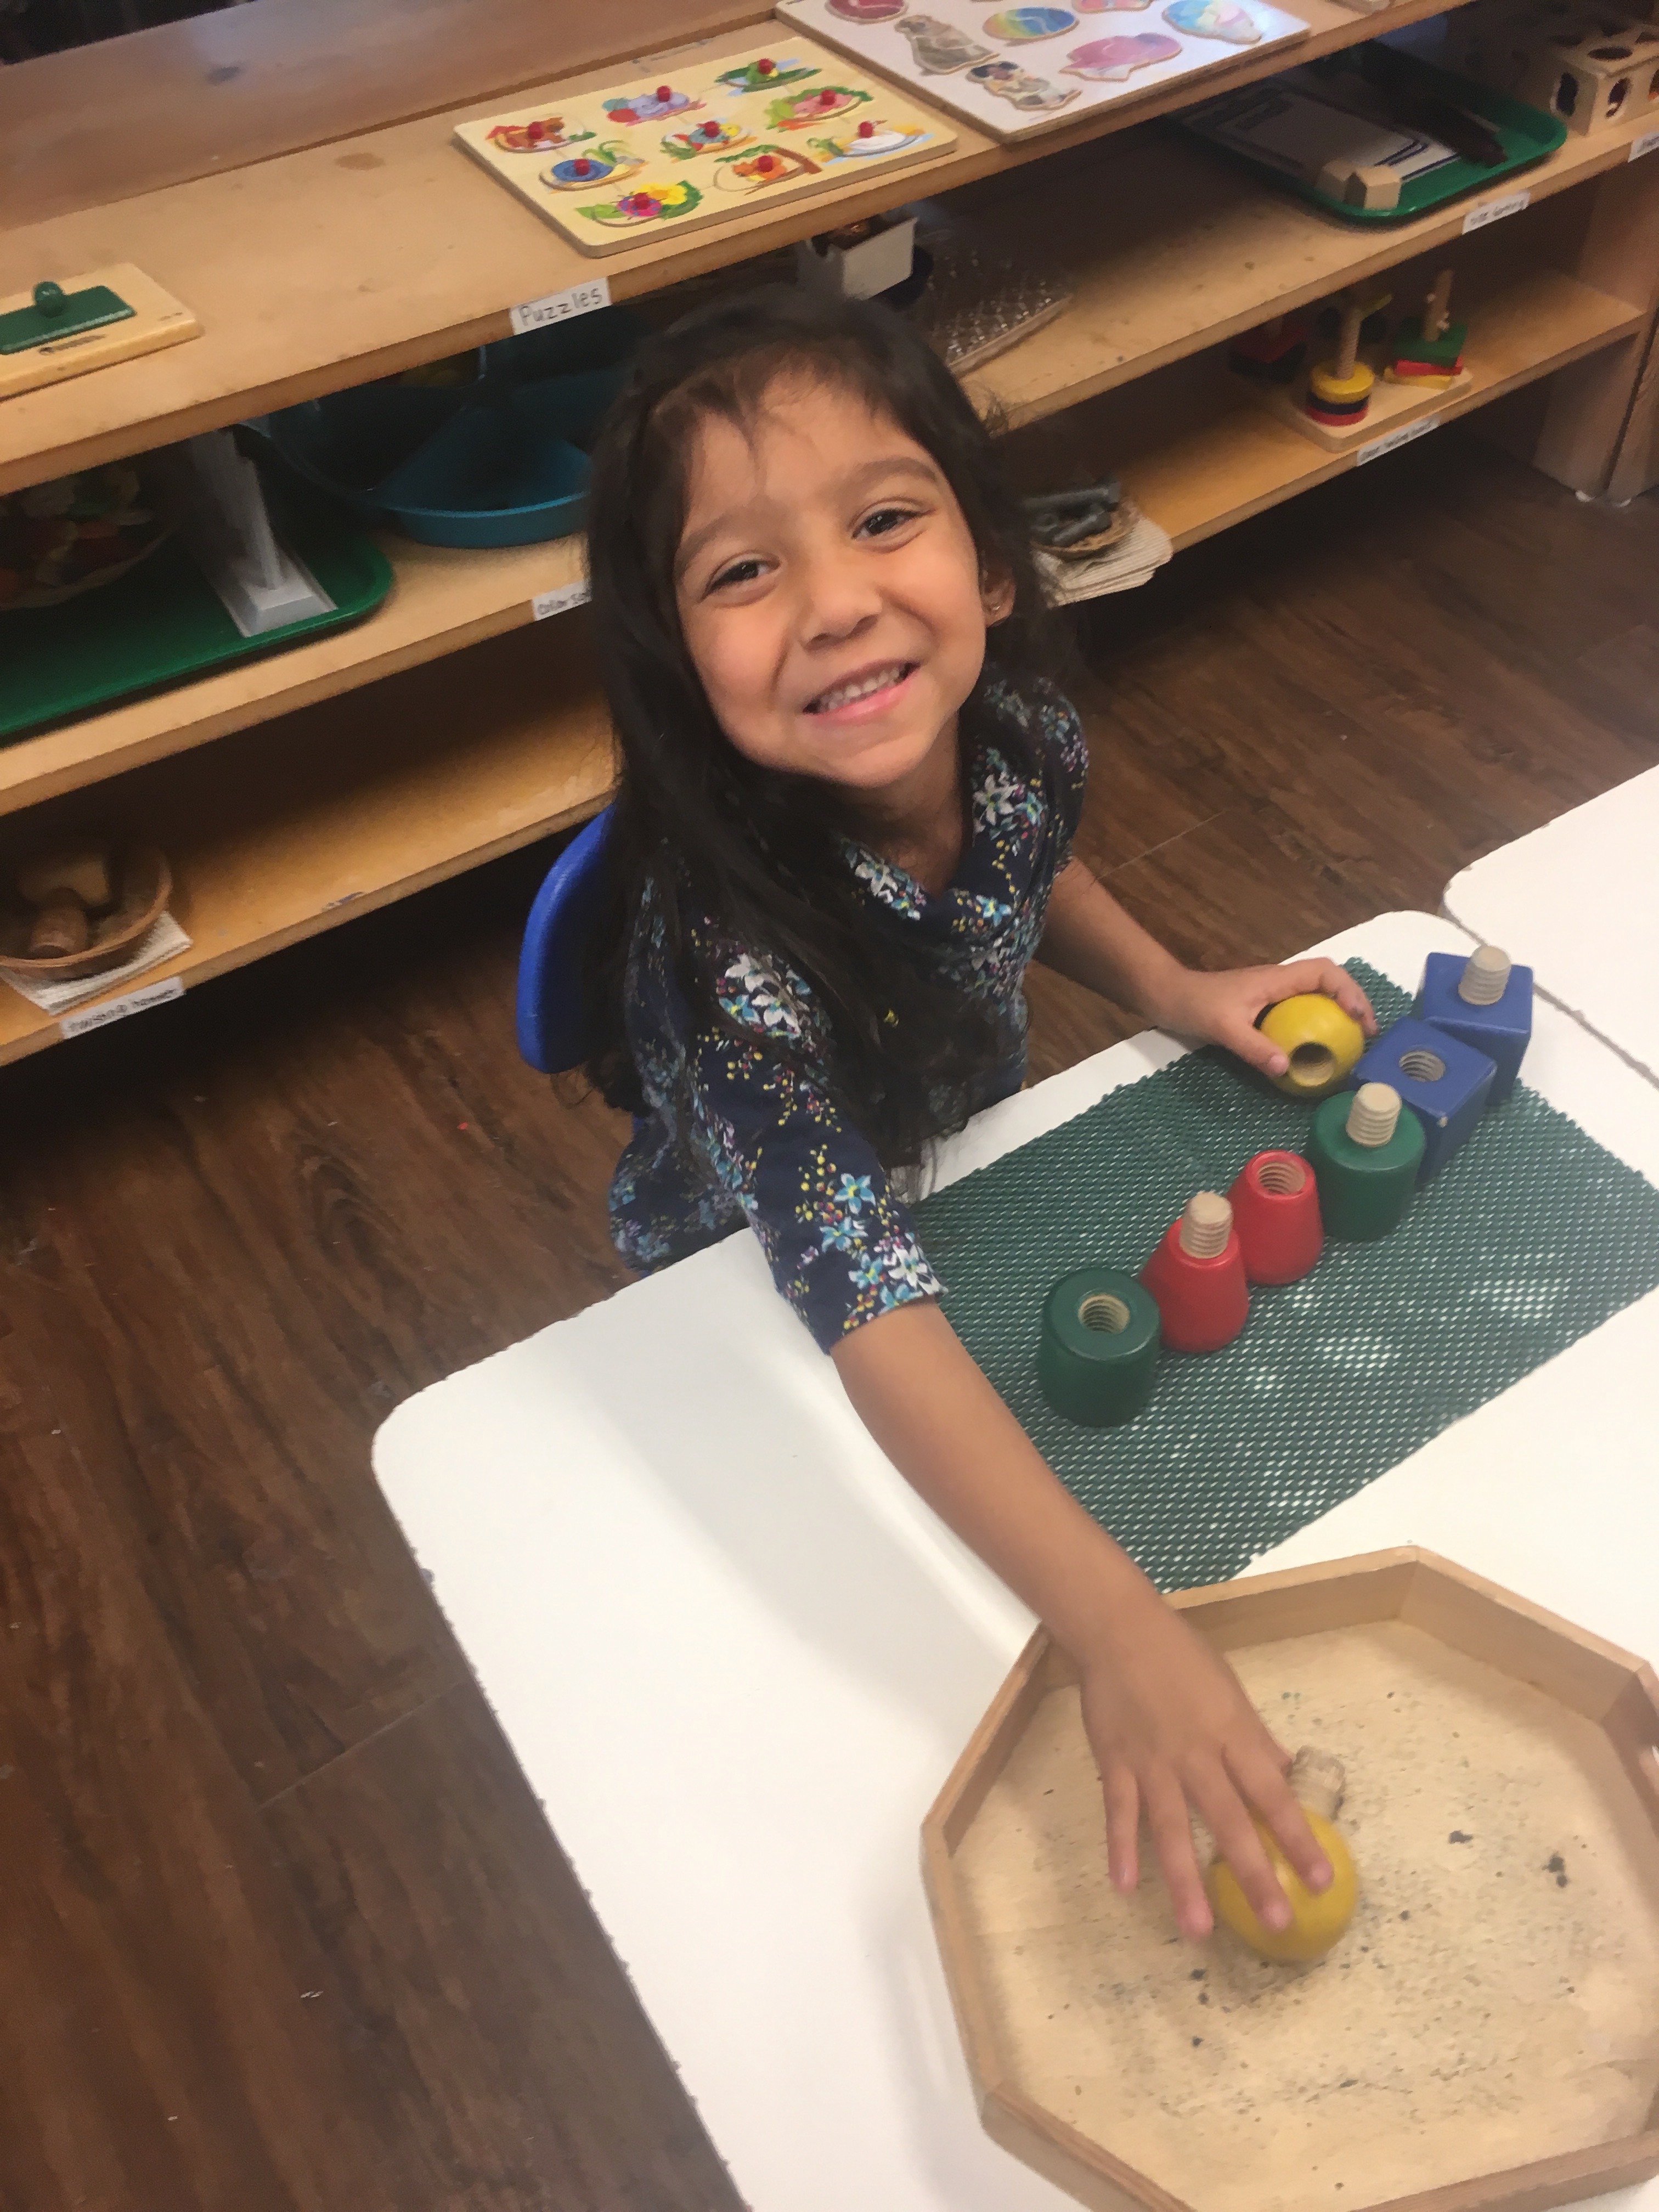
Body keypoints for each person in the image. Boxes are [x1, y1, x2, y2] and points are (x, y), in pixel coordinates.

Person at [579, 285, 1375, 1939]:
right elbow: (856, 1292)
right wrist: (1121, 1629)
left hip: (955, 1157)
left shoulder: (1017, 740)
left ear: (993, 567)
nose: (835, 602)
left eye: (885, 520)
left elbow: (1029, 873)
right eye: (742, 570)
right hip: (743, 1274)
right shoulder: (729, 961)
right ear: (677, 658)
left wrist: (1171, 988)